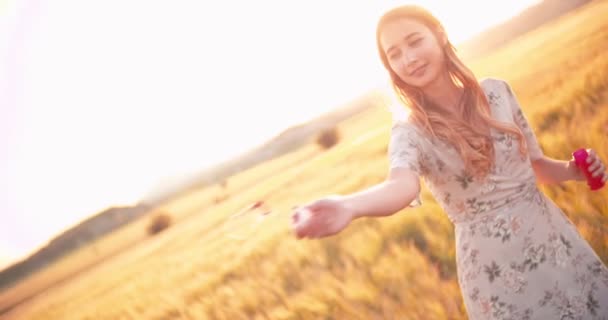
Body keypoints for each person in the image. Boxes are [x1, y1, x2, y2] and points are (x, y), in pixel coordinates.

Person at [290, 4, 608, 319]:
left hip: (555, 240)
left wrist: (572, 171)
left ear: (440, 35)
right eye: (395, 54)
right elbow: (400, 186)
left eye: (415, 41)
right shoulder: (410, 132)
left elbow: (535, 165)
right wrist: (349, 205)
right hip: (496, 276)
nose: (409, 58)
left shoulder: (497, 92)